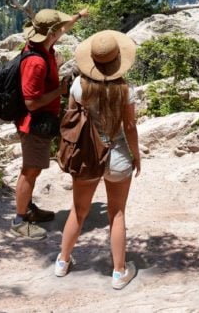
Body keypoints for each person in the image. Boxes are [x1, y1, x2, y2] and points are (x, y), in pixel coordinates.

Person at [54, 30, 141, 290]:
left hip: (87, 156)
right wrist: (137, 156)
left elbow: (71, 117)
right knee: (117, 213)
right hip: (118, 154)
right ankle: (118, 272)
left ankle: (63, 261)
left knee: (78, 211)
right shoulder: (125, 89)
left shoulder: (79, 86)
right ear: (117, 61)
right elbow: (130, 127)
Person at [11, 7, 89, 240]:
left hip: (40, 122)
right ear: (50, 33)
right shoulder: (37, 62)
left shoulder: (42, 46)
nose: (60, 32)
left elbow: (61, 29)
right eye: (57, 29)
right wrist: (60, 90)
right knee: (30, 171)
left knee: (33, 169)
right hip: (33, 123)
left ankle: (27, 209)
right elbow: (31, 102)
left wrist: (77, 16)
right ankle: (19, 220)